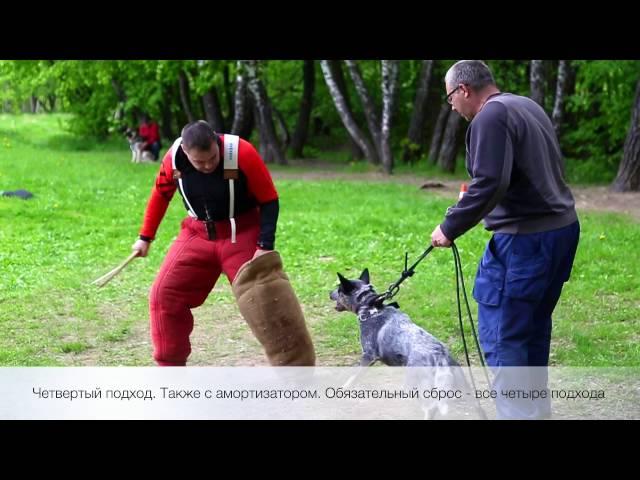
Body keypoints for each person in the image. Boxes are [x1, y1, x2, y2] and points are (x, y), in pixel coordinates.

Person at [430, 60, 580, 419]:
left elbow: (490, 184)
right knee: (532, 333)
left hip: (527, 241)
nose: (451, 105)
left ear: (464, 90)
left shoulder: (489, 117)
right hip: (561, 231)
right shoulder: (526, 106)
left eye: (450, 96)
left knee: (504, 340)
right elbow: (511, 176)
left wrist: (449, 227)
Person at [131, 120, 314, 366]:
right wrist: (145, 237)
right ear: (186, 152)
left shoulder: (239, 153)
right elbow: (161, 194)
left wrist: (265, 245)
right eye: (199, 162)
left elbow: (269, 200)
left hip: (243, 230)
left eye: (212, 159)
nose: (207, 166)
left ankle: (298, 377)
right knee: (164, 294)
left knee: (268, 300)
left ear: (217, 144)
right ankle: (170, 373)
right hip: (197, 234)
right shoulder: (174, 160)